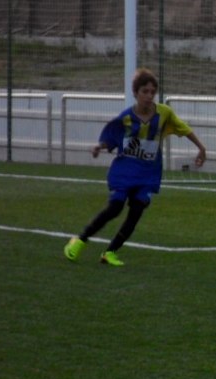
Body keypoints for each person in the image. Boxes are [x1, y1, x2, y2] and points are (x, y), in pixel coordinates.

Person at [63, 68, 207, 267]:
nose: (149, 96)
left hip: (148, 173)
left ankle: (110, 252)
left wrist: (201, 148)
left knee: (137, 210)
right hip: (125, 170)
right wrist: (99, 146)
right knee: (115, 208)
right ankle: (79, 240)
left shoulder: (164, 113)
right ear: (135, 93)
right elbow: (110, 138)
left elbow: (184, 129)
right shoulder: (126, 118)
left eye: (152, 92)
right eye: (144, 91)